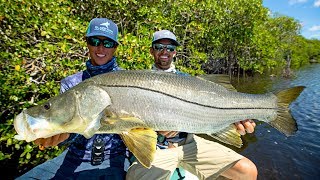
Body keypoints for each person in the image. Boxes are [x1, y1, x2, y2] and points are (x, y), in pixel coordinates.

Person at [126, 30, 258, 180]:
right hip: (158, 149)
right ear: (151, 51)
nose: (164, 51)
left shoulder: (189, 80)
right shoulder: (136, 82)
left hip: (189, 143)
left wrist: (233, 120)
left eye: (170, 48)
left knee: (247, 171)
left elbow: (209, 112)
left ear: (175, 52)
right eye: (159, 46)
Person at [16, 18, 129, 180]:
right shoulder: (71, 83)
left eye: (108, 43)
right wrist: (58, 137)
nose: (101, 47)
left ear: (115, 47)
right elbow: (69, 130)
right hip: (74, 157)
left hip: (114, 157)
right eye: (95, 41)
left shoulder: (128, 80)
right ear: (87, 43)